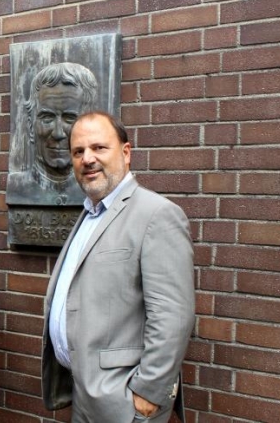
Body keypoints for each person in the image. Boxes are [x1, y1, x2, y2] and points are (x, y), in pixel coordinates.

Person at [41, 112, 195, 422]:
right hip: (84, 393)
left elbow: (173, 316)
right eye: (78, 151)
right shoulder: (89, 215)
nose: (88, 159)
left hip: (124, 402)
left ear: (125, 153)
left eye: (99, 148)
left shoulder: (157, 215)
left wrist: (148, 393)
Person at [7, 62, 98, 206]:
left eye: (69, 119)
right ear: (31, 126)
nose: (58, 133)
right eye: (47, 118)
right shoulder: (17, 186)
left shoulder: (99, 191)